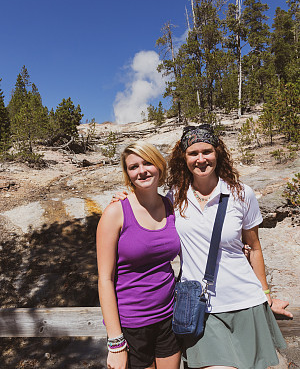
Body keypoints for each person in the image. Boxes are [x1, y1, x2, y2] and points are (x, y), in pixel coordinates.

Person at [167, 124, 292, 369]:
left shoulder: (241, 194)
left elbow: (254, 247)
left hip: (245, 302)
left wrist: (266, 294)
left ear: (218, 153)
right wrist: (123, 200)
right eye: (193, 153)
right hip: (201, 309)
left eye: (207, 151)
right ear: (184, 158)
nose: (201, 159)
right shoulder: (174, 198)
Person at [96, 141, 181, 369]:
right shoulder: (116, 212)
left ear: (159, 166)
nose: (141, 170)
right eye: (133, 167)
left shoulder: (171, 206)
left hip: (170, 317)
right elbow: (105, 279)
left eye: (147, 163)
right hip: (132, 325)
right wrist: (115, 342)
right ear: (128, 174)